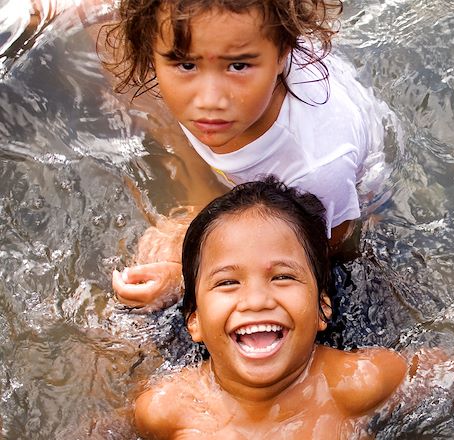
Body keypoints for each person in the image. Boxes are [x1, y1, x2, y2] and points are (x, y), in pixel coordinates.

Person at [88, 0, 384, 311]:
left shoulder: (315, 170)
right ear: (150, 52)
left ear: (285, 52)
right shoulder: (197, 52)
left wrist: (188, 277)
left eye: (238, 66)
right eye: (187, 65)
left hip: (348, 196)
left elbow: (317, 260)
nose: (209, 100)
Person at [133, 177, 406, 438]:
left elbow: (442, 373)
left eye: (282, 277)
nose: (257, 300)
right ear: (194, 320)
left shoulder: (359, 383)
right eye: (228, 282)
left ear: (322, 308)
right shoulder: (165, 410)